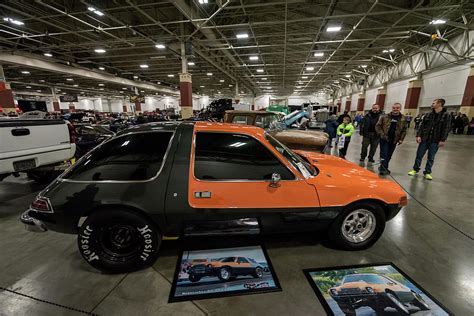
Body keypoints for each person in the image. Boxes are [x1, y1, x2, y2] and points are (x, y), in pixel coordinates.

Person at [408, 98, 451, 180]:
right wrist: (418, 135)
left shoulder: (446, 116)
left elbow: (446, 128)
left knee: (431, 157)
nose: (432, 104)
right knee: (419, 155)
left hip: (435, 141)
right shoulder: (428, 115)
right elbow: (422, 126)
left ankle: (427, 172)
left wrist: (443, 140)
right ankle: (415, 169)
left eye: (434, 103)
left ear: (440, 104)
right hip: (424, 139)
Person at [375, 103, 407, 175]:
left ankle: (383, 167)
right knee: (384, 154)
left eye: (397, 108)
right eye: (394, 108)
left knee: (389, 155)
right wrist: (382, 135)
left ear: (400, 109)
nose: (395, 109)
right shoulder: (384, 116)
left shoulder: (403, 118)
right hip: (384, 139)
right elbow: (378, 126)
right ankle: (383, 169)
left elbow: (404, 130)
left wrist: (401, 139)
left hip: (394, 140)